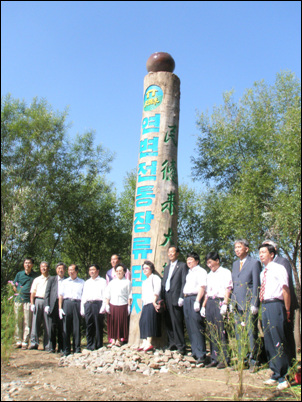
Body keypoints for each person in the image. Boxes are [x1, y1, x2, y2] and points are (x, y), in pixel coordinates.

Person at [258, 243, 291, 391]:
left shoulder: (279, 268)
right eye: (259, 252)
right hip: (265, 305)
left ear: (271, 254)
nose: (261, 254)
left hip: (276, 305)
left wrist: (287, 309)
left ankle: (285, 376)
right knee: (269, 340)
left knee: (278, 339)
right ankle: (275, 372)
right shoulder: (262, 272)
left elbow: (285, 289)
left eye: (264, 252)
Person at [262, 239, 299, 365]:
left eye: (266, 248)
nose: (261, 254)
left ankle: (290, 363)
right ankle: (278, 367)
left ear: (273, 250)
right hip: (269, 305)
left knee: (284, 336)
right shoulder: (265, 269)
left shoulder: (281, 262)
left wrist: (286, 307)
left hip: (282, 303)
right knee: (272, 337)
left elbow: (286, 286)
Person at [231, 239, 261, 371]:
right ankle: (241, 359)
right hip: (237, 304)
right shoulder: (234, 264)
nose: (237, 249)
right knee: (239, 333)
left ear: (246, 249)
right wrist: (232, 302)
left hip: (249, 303)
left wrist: (255, 303)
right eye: (235, 247)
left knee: (251, 333)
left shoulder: (254, 263)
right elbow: (234, 284)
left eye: (239, 247)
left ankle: (253, 360)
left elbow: (256, 284)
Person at [201, 252, 233, 369]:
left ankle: (224, 358)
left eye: (210, 262)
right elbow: (206, 292)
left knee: (221, 330)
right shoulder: (209, 275)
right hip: (210, 302)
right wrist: (203, 306)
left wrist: (225, 303)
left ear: (217, 261)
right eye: (207, 263)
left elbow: (228, 288)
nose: (209, 265)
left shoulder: (225, 272)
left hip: (220, 301)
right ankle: (214, 357)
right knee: (211, 330)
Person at [182, 252, 207, 366]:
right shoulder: (189, 273)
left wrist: (198, 301)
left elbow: (202, 287)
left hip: (195, 298)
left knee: (197, 326)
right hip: (187, 299)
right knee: (189, 325)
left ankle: (201, 354)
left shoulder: (201, 271)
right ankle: (194, 352)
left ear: (197, 261)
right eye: (188, 259)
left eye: (191, 259)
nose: (189, 261)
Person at [162, 246, 188, 355]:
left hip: (176, 297)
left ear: (177, 254)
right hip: (167, 297)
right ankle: (172, 343)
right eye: (169, 252)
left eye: (173, 252)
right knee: (168, 321)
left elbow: (184, 282)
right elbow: (164, 282)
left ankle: (180, 345)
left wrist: (182, 296)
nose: (170, 254)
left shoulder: (182, 266)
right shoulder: (167, 267)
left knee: (177, 321)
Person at [11, 258, 38, 349]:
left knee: (27, 322)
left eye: (29, 263)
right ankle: (18, 340)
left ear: (32, 265)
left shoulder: (35, 276)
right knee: (18, 320)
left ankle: (25, 341)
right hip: (18, 300)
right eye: (26, 263)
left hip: (28, 301)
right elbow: (14, 284)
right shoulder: (19, 274)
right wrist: (17, 293)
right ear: (23, 264)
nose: (27, 265)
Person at [58, 264, 85, 356]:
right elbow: (60, 295)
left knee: (76, 327)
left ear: (76, 271)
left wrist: (82, 307)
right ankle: (66, 349)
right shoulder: (64, 282)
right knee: (66, 327)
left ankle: (77, 348)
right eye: (69, 270)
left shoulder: (82, 282)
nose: (70, 272)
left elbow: (84, 295)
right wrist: (60, 308)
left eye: (72, 270)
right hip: (67, 303)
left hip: (77, 303)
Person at [105, 263, 132, 347]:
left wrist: (129, 306)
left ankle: (119, 340)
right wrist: (107, 304)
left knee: (121, 323)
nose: (119, 272)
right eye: (117, 271)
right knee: (112, 322)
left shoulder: (127, 282)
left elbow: (129, 295)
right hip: (113, 304)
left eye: (120, 271)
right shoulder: (112, 282)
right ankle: (113, 339)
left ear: (124, 272)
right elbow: (108, 294)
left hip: (123, 304)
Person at [80, 264, 106, 351]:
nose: (91, 271)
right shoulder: (87, 282)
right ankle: (90, 345)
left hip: (98, 304)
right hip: (88, 305)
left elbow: (105, 295)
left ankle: (99, 345)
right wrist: (82, 307)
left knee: (98, 326)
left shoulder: (102, 281)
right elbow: (84, 295)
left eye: (93, 269)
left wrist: (103, 306)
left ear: (97, 271)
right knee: (89, 325)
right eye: (90, 270)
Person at [138, 261, 162, 352]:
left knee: (149, 322)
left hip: (152, 303)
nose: (144, 270)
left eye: (146, 268)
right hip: (145, 303)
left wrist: (154, 301)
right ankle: (144, 342)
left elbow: (157, 290)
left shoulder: (155, 278)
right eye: (143, 268)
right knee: (142, 322)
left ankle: (149, 342)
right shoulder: (144, 281)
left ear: (151, 269)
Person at [44, 262, 67, 353]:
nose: (60, 270)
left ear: (65, 270)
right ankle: (52, 347)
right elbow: (47, 293)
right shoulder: (51, 279)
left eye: (62, 268)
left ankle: (61, 347)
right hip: (53, 305)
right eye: (58, 268)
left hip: (63, 305)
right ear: (56, 270)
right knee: (52, 327)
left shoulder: (67, 280)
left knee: (61, 327)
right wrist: (47, 305)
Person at [29, 261, 51, 350]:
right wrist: (32, 304)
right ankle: (34, 343)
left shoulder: (52, 279)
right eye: (42, 267)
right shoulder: (37, 279)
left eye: (45, 267)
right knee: (35, 323)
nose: (43, 268)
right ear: (40, 268)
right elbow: (32, 293)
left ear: (48, 268)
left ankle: (47, 345)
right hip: (38, 300)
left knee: (47, 324)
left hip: (47, 302)